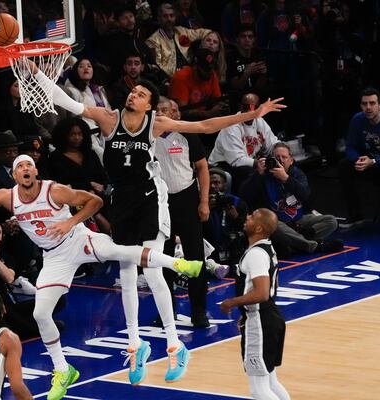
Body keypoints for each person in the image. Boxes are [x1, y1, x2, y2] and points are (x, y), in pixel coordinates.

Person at [32, 61, 284, 386]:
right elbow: (65, 101)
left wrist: (252, 115)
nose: (133, 95)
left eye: (140, 94)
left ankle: (174, 344)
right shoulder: (109, 118)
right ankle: (136, 344)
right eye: (133, 92)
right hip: (122, 200)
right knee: (126, 274)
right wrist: (33, 72)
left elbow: (207, 126)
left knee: (150, 270)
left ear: (150, 104)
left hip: (151, 197)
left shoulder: (156, 123)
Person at [0, 155, 202, 400]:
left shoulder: (54, 191)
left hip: (77, 239)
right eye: (20, 167)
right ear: (14, 175)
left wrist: (71, 221)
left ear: (35, 172)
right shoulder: (7, 196)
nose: (25, 169)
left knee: (119, 252)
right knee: (40, 313)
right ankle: (63, 370)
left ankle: (178, 264)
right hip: (54, 257)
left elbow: (95, 201)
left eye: (29, 165)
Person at [220, 208, 290, 400]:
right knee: (270, 381)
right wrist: (246, 313)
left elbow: (262, 292)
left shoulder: (256, 254)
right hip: (269, 317)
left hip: (260, 321)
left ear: (258, 228)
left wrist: (232, 302)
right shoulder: (267, 247)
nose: (247, 218)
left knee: (258, 389)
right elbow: (274, 283)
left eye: (252, 217)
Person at [154, 97, 210, 328]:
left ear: (176, 114)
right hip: (159, 203)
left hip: (187, 199)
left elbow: (202, 168)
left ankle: (199, 312)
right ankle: (167, 313)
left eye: (171, 110)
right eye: (161, 109)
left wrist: (204, 201)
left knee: (195, 257)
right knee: (163, 259)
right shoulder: (147, 137)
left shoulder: (187, 134)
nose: (166, 113)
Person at [240, 143, 342, 257]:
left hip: (299, 220)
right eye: (277, 157)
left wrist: (286, 179)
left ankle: (295, 242)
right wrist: (257, 174)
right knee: (273, 225)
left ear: (291, 160)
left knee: (331, 221)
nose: (281, 160)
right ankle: (313, 246)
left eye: (284, 157)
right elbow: (244, 195)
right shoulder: (262, 175)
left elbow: (306, 194)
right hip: (278, 222)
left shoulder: (297, 174)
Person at [338, 87, 380, 226]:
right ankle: (355, 215)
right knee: (344, 166)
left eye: (372, 103)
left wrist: (374, 161)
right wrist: (358, 160)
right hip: (368, 164)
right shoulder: (357, 120)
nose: (368, 107)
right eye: (365, 104)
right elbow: (350, 146)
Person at [208, 93, 279, 192]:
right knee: (253, 173)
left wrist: (281, 152)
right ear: (240, 107)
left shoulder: (260, 121)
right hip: (222, 165)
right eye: (246, 107)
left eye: (254, 107)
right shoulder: (231, 126)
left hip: (248, 160)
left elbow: (273, 144)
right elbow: (236, 160)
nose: (250, 111)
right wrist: (259, 163)